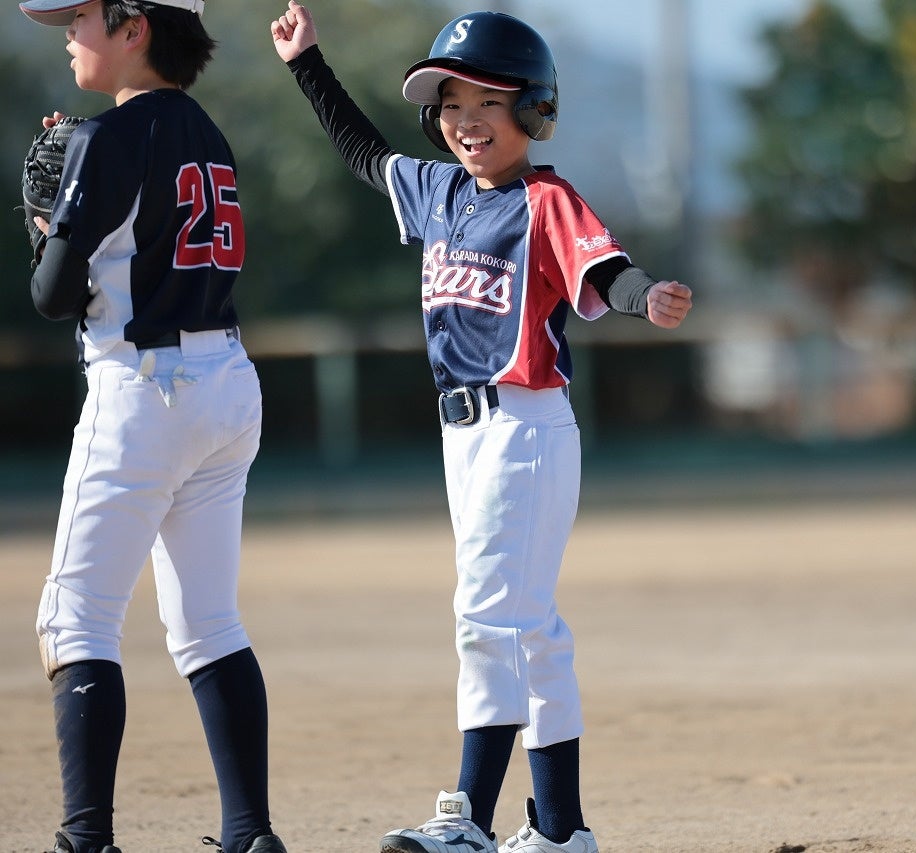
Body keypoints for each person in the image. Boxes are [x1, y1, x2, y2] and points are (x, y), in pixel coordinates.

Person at [269, 4, 693, 852]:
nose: (465, 121)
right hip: (464, 437)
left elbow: (606, 268)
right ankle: (561, 831)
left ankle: (468, 818)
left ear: (532, 110)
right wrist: (307, 64)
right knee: (530, 629)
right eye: (451, 104)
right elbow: (362, 153)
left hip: (523, 429)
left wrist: (646, 295)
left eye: (488, 103)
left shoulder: (546, 199)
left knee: (487, 617)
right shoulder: (440, 192)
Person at [18, 0, 287, 851]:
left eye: (82, 17)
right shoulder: (210, 132)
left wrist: (45, 224)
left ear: (135, 27)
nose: (69, 33)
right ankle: (250, 834)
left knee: (75, 619)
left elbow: (52, 295)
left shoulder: (105, 137)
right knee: (209, 622)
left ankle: (86, 838)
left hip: (142, 388)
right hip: (227, 383)